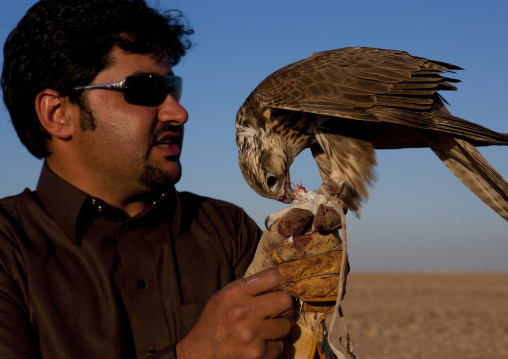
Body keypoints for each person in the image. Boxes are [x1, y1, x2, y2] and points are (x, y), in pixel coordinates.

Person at [0, 0, 295, 358]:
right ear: (57, 113)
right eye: (146, 90)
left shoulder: (226, 230)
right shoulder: (8, 249)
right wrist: (195, 354)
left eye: (174, 90)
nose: (178, 112)